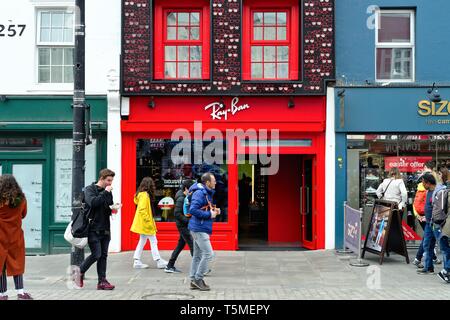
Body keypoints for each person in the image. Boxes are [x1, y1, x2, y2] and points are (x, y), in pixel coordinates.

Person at [73, 169, 116, 290]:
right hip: (93, 228)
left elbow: (108, 207)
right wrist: (105, 193)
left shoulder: (107, 191)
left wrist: (114, 209)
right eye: (108, 180)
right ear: (101, 178)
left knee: (103, 256)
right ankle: (79, 273)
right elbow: (93, 203)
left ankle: (102, 281)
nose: (110, 183)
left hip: (105, 228)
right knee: (96, 254)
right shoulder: (89, 189)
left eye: (111, 180)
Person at [0, 175, 33, 300]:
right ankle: (21, 292)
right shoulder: (21, 199)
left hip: (1, 236)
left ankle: (2, 294)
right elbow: (23, 214)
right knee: (17, 263)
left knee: (1, 265)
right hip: (15, 236)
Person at [188, 172, 220, 291]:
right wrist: (209, 214)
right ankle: (198, 279)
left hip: (198, 227)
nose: (215, 182)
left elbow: (202, 208)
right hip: (199, 229)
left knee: (197, 255)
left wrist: (213, 211)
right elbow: (193, 210)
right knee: (208, 254)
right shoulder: (199, 193)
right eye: (214, 181)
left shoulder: (205, 193)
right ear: (207, 182)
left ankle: (193, 280)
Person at [131, 177, 168, 269]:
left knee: (142, 241)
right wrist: (149, 221)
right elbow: (142, 210)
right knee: (153, 241)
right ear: (149, 185)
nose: (154, 186)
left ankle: (136, 260)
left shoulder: (141, 194)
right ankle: (158, 261)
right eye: (152, 184)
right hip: (145, 223)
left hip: (142, 223)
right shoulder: (144, 195)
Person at [417, 173, 446, 275]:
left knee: (443, 247)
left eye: (423, 182)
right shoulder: (429, 191)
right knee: (427, 245)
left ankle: (447, 270)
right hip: (429, 223)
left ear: (428, 183)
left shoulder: (438, 192)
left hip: (437, 224)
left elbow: (439, 208)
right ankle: (428, 267)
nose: (422, 184)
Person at [165, 179, 195, 273]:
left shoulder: (184, 196)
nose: (193, 192)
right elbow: (177, 213)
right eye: (192, 190)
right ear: (186, 188)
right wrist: (187, 221)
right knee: (192, 245)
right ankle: (199, 268)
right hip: (182, 225)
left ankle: (169, 266)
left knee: (180, 245)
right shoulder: (181, 198)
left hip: (183, 224)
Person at [413, 161, 439, 267]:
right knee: (428, 238)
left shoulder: (420, 187)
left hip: (422, 215)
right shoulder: (429, 189)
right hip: (427, 217)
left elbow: (416, 203)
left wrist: (417, 215)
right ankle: (419, 258)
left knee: (429, 238)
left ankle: (429, 260)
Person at [433, 167, 450, 283]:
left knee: (445, 248)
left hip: (445, 225)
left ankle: (446, 271)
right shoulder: (445, 190)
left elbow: (442, 209)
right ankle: (446, 271)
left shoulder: (445, 190)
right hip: (446, 224)